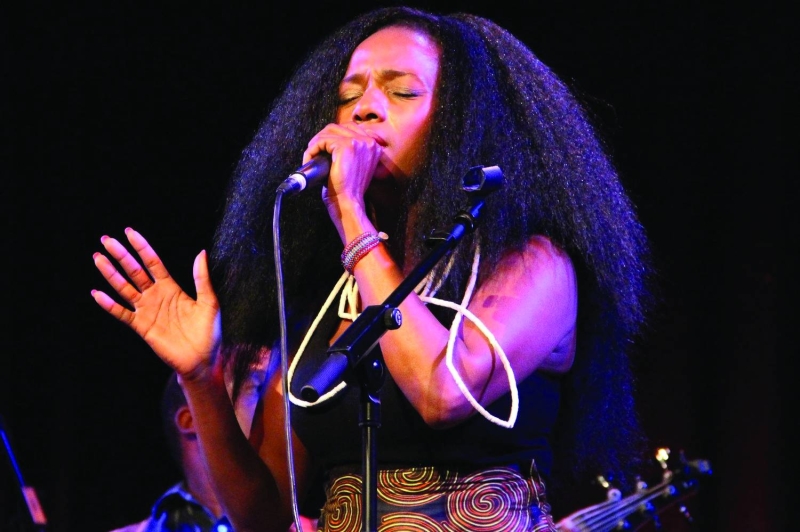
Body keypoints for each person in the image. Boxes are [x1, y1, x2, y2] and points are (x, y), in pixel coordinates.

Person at [92, 6, 652, 531]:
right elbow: (264, 516)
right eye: (349, 95)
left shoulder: (531, 264)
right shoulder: (329, 302)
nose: (364, 109)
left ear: (461, 123)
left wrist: (352, 217)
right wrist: (203, 380)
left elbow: (443, 393)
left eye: (402, 91)